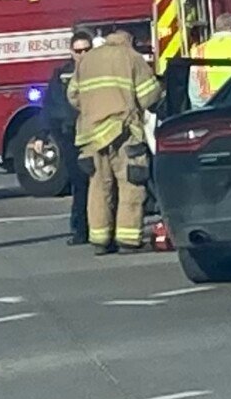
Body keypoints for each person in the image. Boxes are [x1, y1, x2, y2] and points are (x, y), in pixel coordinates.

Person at [68, 24, 164, 254]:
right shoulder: (131, 57)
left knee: (99, 187)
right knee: (131, 184)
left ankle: (99, 240)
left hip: (91, 135)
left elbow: (72, 95)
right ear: (128, 40)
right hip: (124, 132)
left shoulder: (87, 60)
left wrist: (92, 110)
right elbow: (149, 95)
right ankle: (128, 239)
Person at [44, 27, 96, 244]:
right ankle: (80, 229)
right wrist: (45, 135)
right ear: (71, 52)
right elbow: (51, 106)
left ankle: (99, 228)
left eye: (86, 50)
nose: (82, 55)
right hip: (71, 136)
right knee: (80, 183)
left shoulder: (99, 72)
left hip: (96, 134)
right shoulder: (62, 75)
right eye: (78, 51)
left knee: (101, 183)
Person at [188, 12, 231, 107]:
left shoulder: (199, 51)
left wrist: (198, 109)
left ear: (216, 29)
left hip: (209, 107)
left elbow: (194, 86)